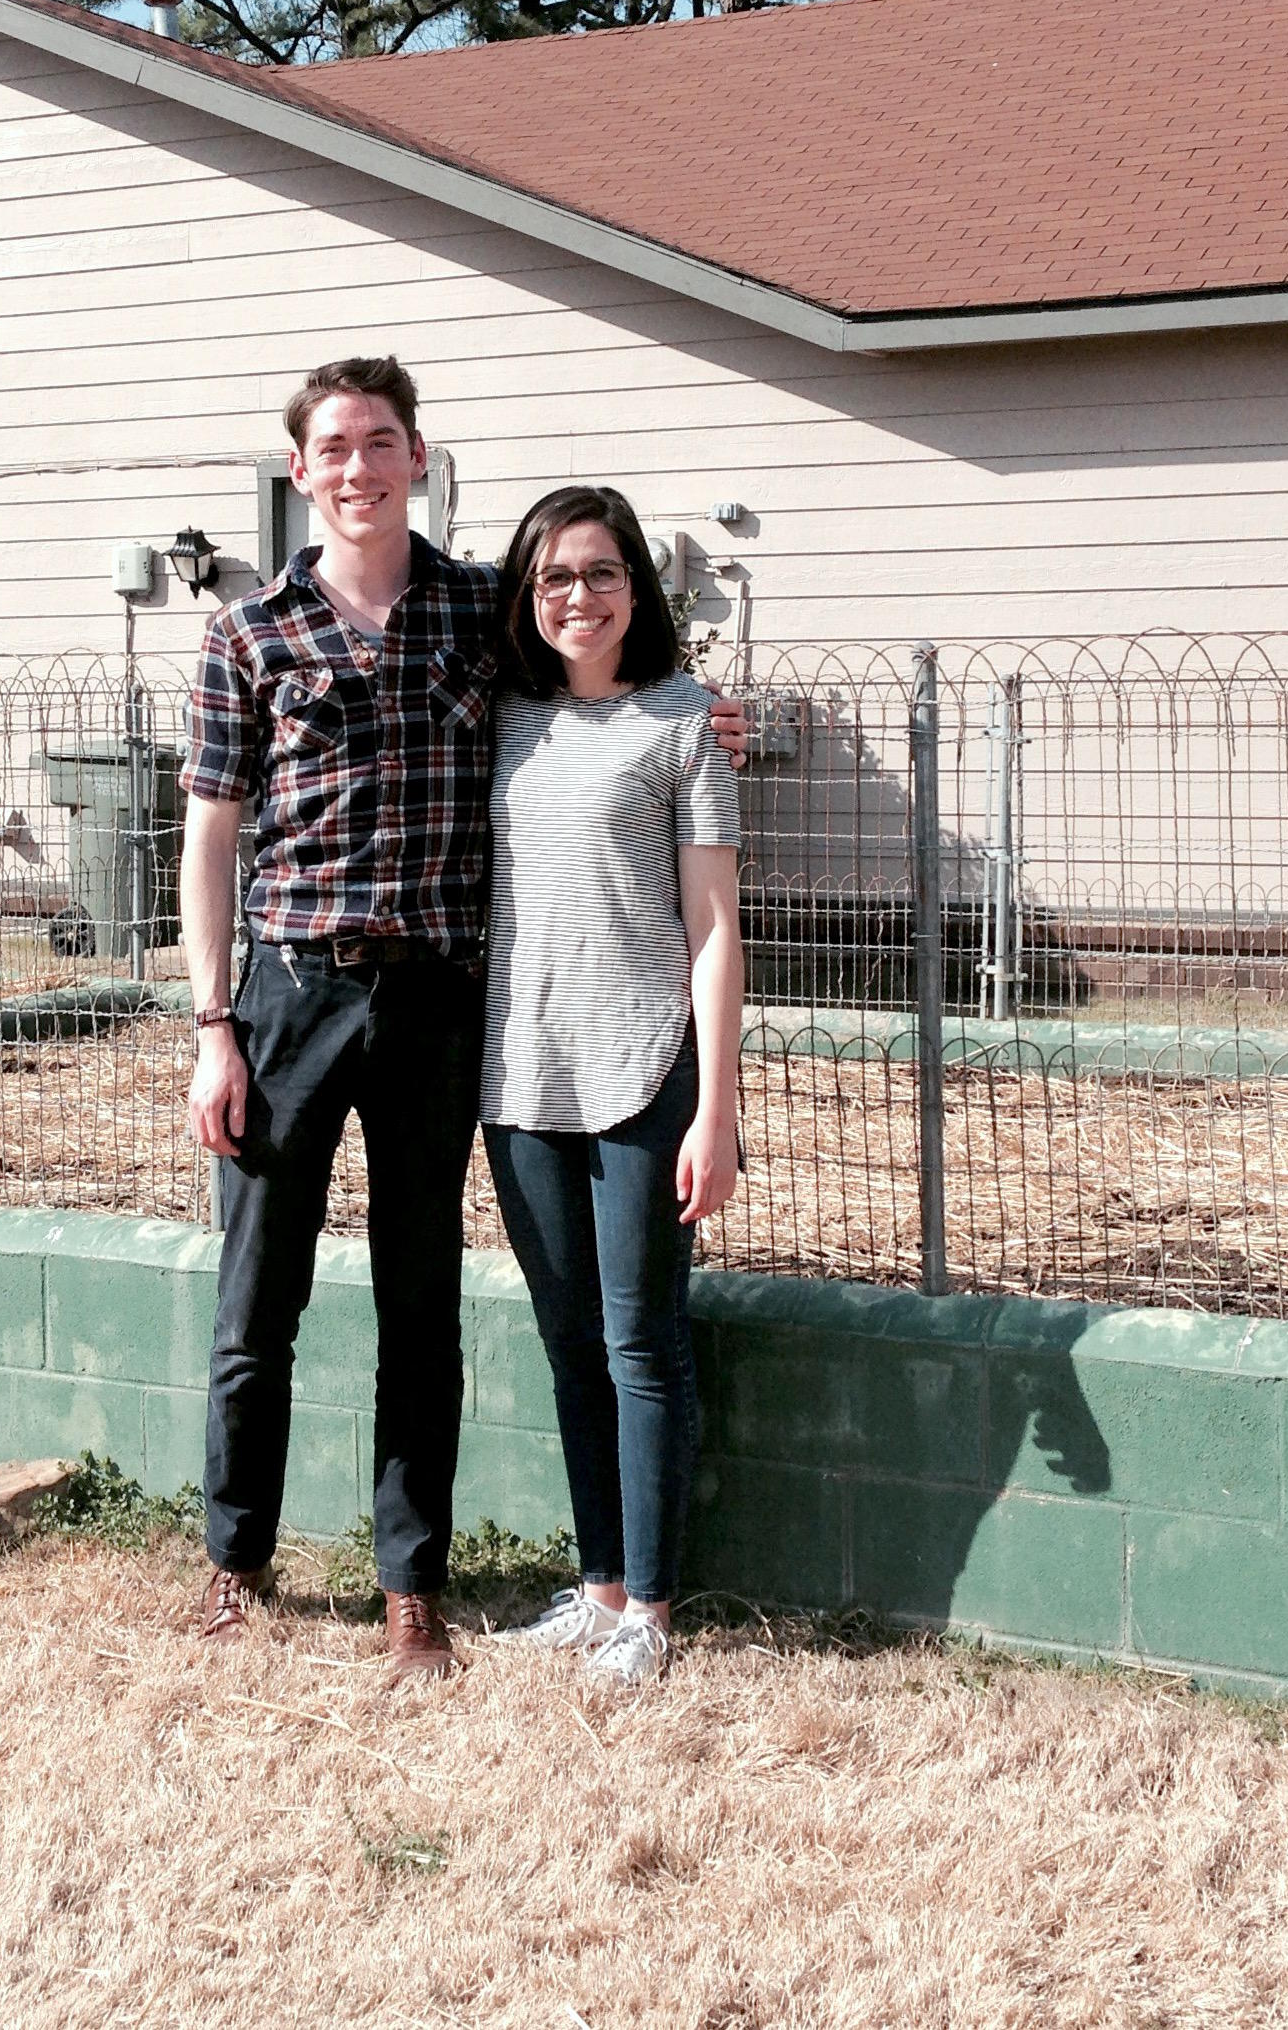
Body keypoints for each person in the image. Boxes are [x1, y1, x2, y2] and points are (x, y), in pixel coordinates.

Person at [179, 359, 747, 1683]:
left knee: (417, 1301)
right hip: (290, 994)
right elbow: (210, 837)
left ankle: (409, 1584)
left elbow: (591, 680)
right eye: (334, 446)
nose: (359, 465)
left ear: (417, 457)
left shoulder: (471, 614)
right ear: (301, 469)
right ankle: (234, 1562)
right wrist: (212, 1022)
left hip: (440, 1000)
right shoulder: (247, 633)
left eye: (382, 441)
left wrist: (694, 713)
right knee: (256, 1296)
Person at [479, 483, 745, 1688]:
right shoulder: (501, 722)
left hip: (647, 1069)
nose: (575, 597)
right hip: (520, 1072)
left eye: (597, 573)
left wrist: (717, 1109)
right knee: (568, 1342)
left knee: (643, 1344)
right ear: (527, 599)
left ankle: (651, 1607)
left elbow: (714, 925)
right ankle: (594, 1589)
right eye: (552, 579)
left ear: (636, 586)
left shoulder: (687, 725)